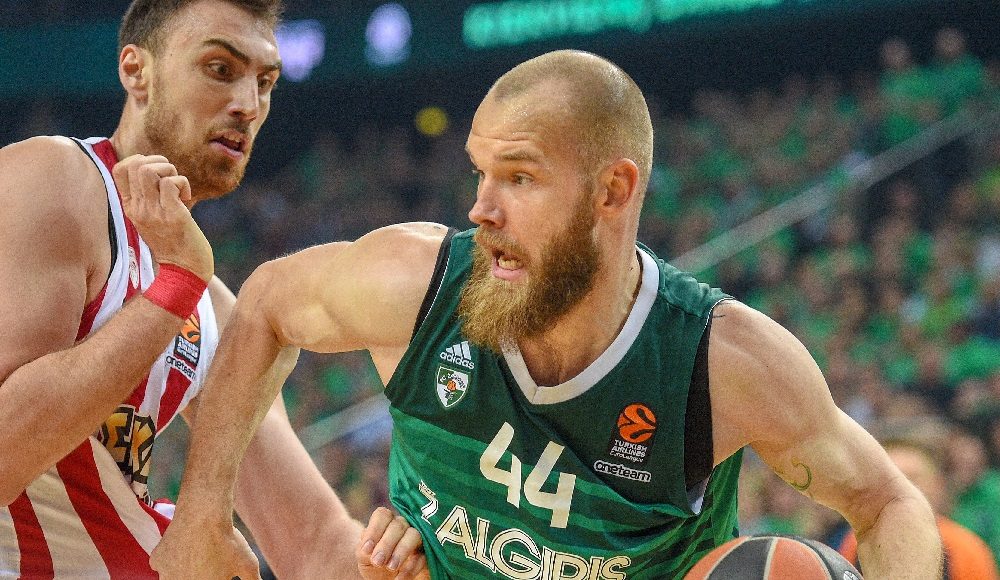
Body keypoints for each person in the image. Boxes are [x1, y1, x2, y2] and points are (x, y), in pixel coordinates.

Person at [152, 50, 943, 578]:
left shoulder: (719, 363)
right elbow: (266, 302)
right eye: (480, 172)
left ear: (612, 191)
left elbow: (888, 502)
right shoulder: (419, 285)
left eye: (520, 177)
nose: (482, 208)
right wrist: (200, 516)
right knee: (221, 315)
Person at [0, 0, 424, 577]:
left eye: (265, 82)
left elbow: (311, 542)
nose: (248, 105)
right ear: (137, 71)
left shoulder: (212, 306)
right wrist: (174, 286)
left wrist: (394, 563)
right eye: (221, 69)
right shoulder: (51, 179)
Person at [837, 437, 999, 580]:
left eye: (912, 478)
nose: (899, 490)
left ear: (938, 484)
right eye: (888, 480)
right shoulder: (855, 543)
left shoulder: (963, 547)